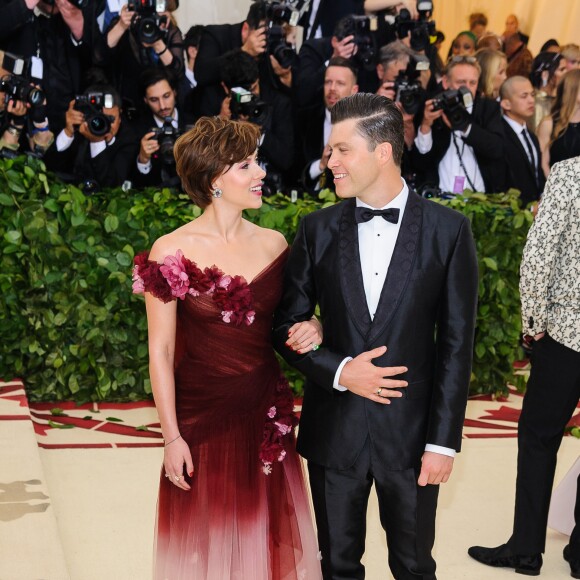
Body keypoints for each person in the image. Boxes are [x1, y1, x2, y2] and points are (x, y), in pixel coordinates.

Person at [273, 93, 479, 580]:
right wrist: (342, 371)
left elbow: (456, 346)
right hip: (334, 431)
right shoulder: (316, 229)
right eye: (329, 151)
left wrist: (443, 444)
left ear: (383, 151)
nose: (330, 161)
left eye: (342, 150)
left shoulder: (449, 232)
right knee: (337, 566)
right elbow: (285, 325)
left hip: (412, 439)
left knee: (413, 564)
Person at [132, 116, 323, 579]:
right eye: (246, 165)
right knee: (207, 548)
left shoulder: (275, 244)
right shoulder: (170, 250)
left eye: (257, 162)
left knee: (261, 538)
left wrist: (316, 324)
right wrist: (171, 436)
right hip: (199, 421)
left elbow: (288, 324)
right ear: (215, 179)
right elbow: (160, 351)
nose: (260, 173)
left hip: (263, 412)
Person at [468, 155, 580, 578]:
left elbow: (538, 255)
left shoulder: (571, 172)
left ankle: (526, 549)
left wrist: (532, 323)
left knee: (539, 439)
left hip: (567, 332)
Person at [412, 56, 506, 194]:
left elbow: (497, 148)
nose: (467, 88)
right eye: (461, 82)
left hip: (478, 199)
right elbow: (420, 162)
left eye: (472, 83)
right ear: (445, 82)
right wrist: (426, 125)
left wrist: (465, 127)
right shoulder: (432, 107)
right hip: (438, 198)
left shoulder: (488, 108)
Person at [43, 84, 138, 189]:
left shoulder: (128, 139)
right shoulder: (78, 129)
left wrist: (97, 142)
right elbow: (48, 169)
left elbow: (112, 186)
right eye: (98, 119)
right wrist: (68, 132)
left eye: (110, 119)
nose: (104, 125)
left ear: (120, 115)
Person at [132, 68, 185, 188]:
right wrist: (143, 159)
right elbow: (137, 186)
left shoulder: (194, 123)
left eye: (166, 96)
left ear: (175, 92)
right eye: (154, 100)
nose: (162, 106)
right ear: (145, 100)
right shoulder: (138, 131)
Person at [500, 75, 545, 205]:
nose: (531, 100)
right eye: (524, 96)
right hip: (511, 211)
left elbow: (538, 173)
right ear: (506, 103)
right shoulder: (500, 135)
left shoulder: (531, 136)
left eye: (532, 94)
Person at [537, 69, 580, 175]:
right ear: (572, 90)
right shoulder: (549, 124)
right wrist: (557, 188)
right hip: (558, 186)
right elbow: (543, 163)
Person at [530, 52, 567, 133]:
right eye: (562, 69)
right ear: (545, 74)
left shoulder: (562, 99)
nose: (566, 73)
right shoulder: (536, 103)